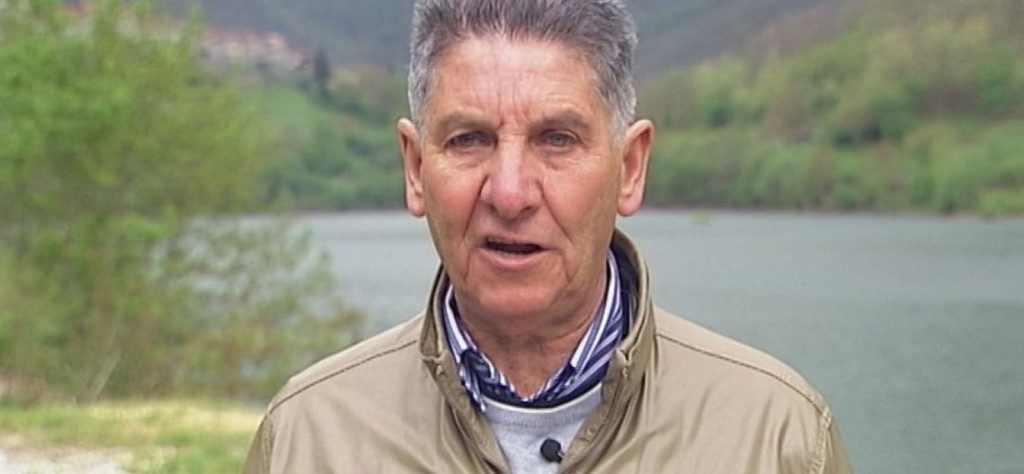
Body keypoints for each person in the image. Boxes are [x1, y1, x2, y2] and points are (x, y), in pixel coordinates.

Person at [244, 0, 853, 472]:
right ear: (415, 168)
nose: (510, 193)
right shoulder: (307, 438)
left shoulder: (778, 438)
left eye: (557, 140)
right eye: (469, 140)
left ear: (630, 168)